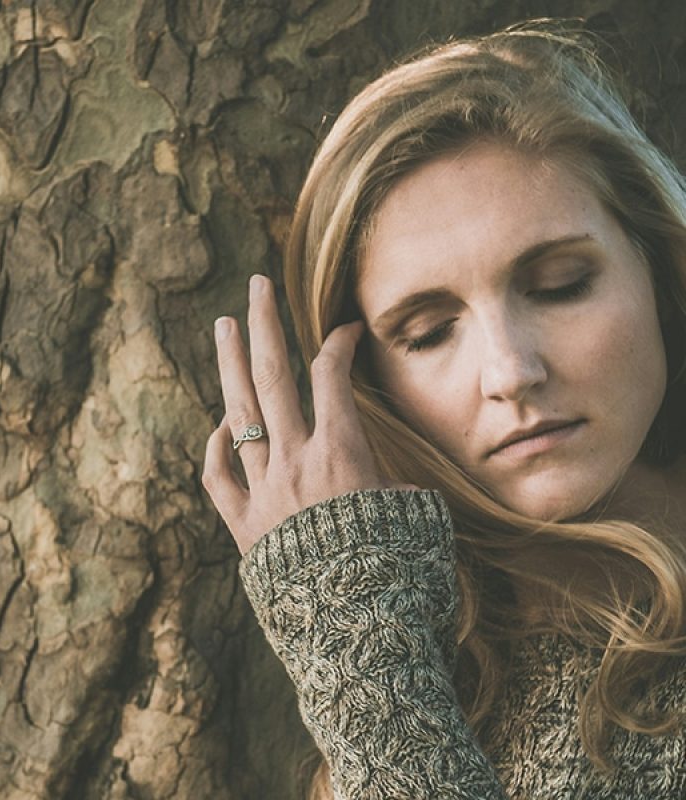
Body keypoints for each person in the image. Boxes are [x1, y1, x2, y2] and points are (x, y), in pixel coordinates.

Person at [202, 22, 686, 800]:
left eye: (560, 285)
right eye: (428, 334)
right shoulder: (414, 646)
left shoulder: (366, 640)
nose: (510, 372)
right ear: (369, 389)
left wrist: (355, 646)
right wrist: (359, 636)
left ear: (660, 274)